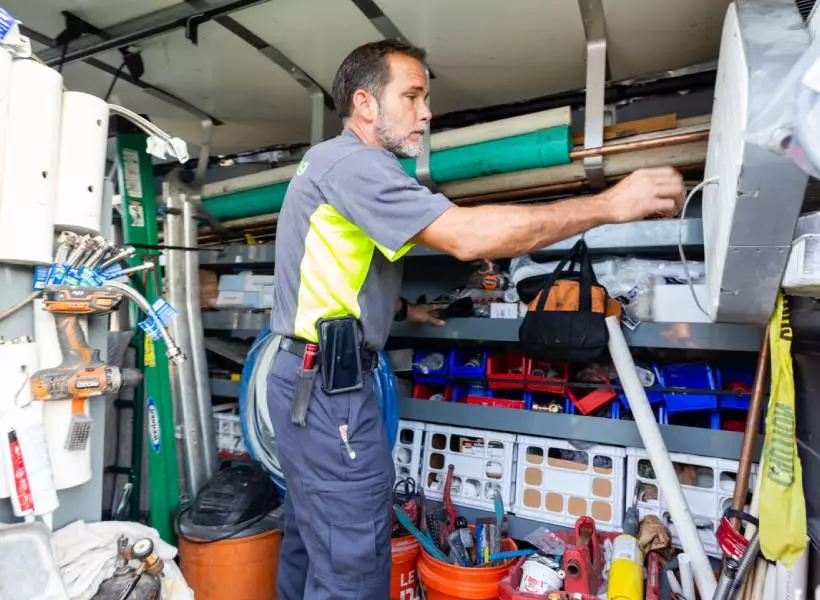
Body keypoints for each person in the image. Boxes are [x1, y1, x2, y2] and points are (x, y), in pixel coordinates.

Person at [268, 40, 685, 599]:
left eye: (426, 97)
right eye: (412, 96)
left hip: (302, 380)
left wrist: (398, 310)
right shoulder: (358, 165)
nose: (426, 111)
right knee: (350, 565)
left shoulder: (328, 162)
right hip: (329, 392)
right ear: (365, 104)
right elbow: (465, 237)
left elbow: (323, 277)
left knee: (310, 541)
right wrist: (609, 205)